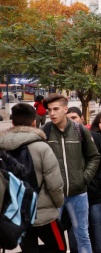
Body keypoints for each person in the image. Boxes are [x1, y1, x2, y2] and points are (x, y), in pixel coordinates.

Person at [0, 103, 66, 252]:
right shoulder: (42, 147)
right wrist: (58, 203)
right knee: (59, 248)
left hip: (18, 215)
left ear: (12, 123)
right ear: (34, 122)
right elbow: (54, 184)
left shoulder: (2, 148)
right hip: (45, 214)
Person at [42, 93, 100, 253]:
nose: (52, 113)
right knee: (54, 239)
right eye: (49, 110)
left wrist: (84, 178)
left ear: (65, 109)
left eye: (56, 109)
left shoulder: (80, 130)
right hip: (54, 196)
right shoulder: (44, 131)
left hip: (78, 193)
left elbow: (94, 156)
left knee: (82, 234)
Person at [66, 107, 101, 253]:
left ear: (82, 118)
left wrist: (93, 187)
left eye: (74, 117)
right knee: (76, 243)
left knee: (100, 242)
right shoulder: (61, 143)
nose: (71, 121)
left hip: (94, 198)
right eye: (68, 118)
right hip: (72, 199)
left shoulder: (96, 138)